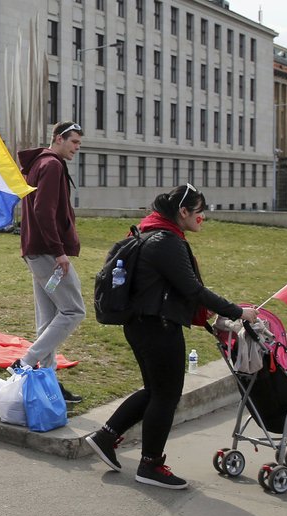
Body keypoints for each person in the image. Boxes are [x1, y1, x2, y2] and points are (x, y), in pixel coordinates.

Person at [84, 184, 258, 490]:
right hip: (158, 326)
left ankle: (106, 436)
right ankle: (150, 465)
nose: (203, 217)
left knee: (155, 390)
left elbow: (180, 289)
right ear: (183, 212)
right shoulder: (166, 241)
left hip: (143, 324)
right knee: (166, 394)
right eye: (200, 211)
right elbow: (194, 290)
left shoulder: (151, 233)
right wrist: (237, 312)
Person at [13, 121, 87, 404]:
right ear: (58, 139)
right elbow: (44, 209)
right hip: (46, 252)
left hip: (35, 250)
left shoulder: (40, 164)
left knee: (47, 322)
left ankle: (49, 384)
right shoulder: (52, 165)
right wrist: (59, 251)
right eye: (74, 142)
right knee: (73, 311)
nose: (77, 148)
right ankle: (26, 362)